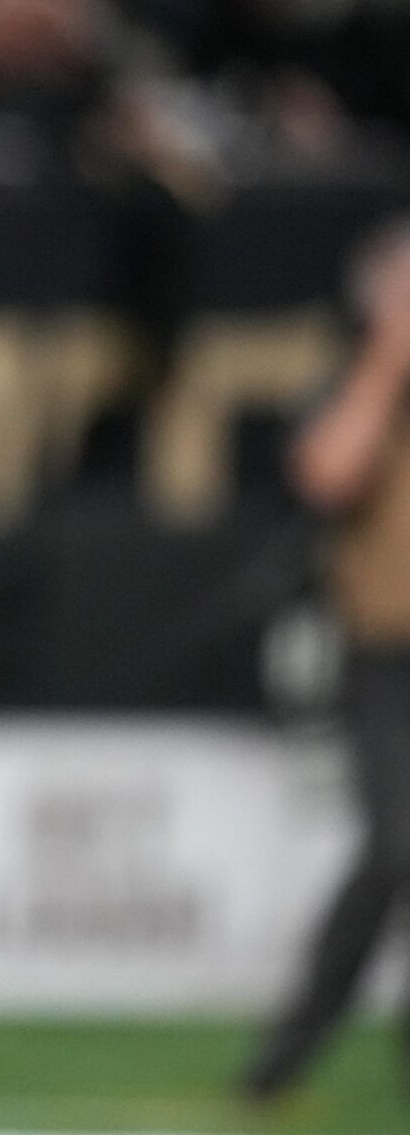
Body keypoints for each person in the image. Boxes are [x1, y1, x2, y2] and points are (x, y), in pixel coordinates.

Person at [242, 220, 410, 1103]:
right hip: (387, 654)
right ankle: (293, 1044)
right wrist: (389, 358)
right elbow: (327, 475)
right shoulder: (347, 386)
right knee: (396, 845)